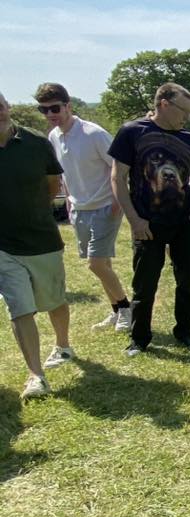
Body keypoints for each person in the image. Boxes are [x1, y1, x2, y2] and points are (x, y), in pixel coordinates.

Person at [109, 82, 190, 356]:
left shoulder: (189, 140)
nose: (187, 118)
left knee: (187, 281)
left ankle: (185, 330)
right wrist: (135, 220)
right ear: (164, 104)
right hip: (147, 224)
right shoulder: (132, 132)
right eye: (184, 111)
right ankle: (140, 338)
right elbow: (117, 178)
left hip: (182, 224)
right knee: (145, 284)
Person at [36, 82, 132, 332]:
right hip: (79, 209)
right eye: (43, 110)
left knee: (95, 263)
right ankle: (116, 311)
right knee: (103, 267)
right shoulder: (53, 137)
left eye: (54, 108)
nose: (49, 115)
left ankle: (125, 308)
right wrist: (69, 202)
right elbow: (64, 174)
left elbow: (118, 167)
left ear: (68, 106)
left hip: (105, 207)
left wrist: (117, 201)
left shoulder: (94, 133)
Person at [0, 91, 74, 399]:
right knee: (19, 308)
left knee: (53, 300)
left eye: (0, 106)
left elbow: (53, 184)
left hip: (41, 239)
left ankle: (63, 344)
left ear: (8, 107)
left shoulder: (36, 143)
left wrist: (35, 211)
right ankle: (36, 375)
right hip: (3, 245)